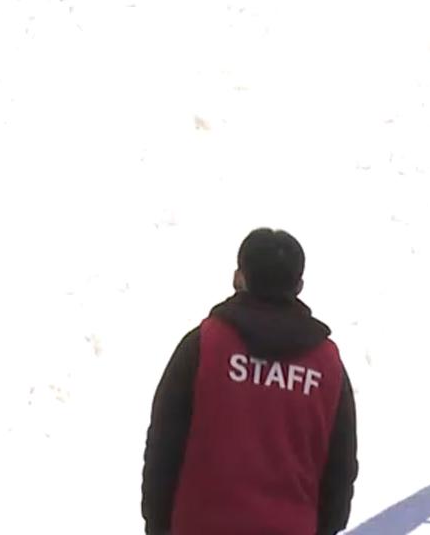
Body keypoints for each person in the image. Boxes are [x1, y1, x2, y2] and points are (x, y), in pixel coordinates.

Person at [141, 228, 358, 535]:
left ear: (238, 277)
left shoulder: (203, 346)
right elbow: (341, 471)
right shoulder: (328, 365)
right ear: (299, 285)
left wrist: (158, 526)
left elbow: (163, 448)